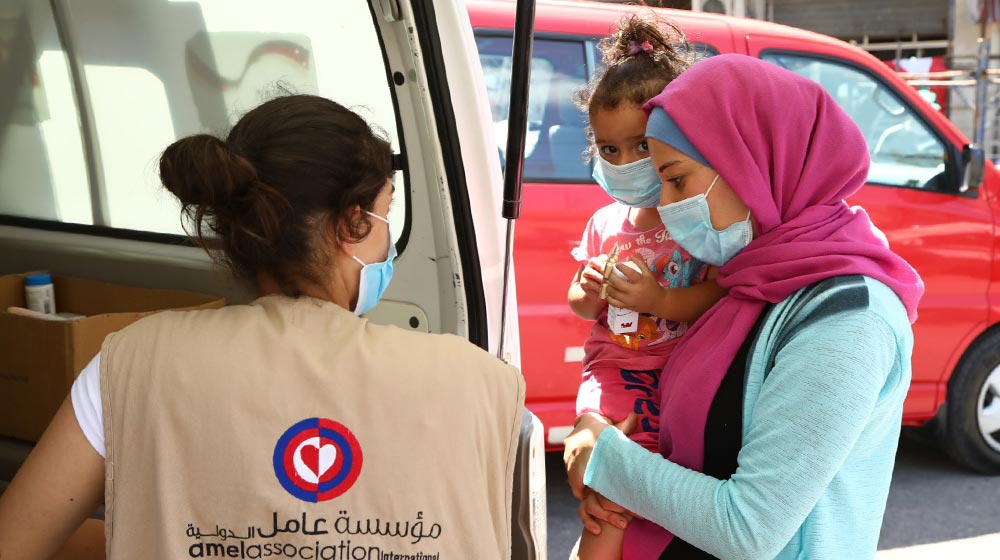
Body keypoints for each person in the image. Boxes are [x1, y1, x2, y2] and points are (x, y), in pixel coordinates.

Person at [0, 95, 525, 560]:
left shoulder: (129, 364)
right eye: (387, 214)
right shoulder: (478, 381)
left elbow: (15, 543)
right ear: (352, 223)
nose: (387, 242)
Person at [563, 54, 924, 560]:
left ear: (748, 163)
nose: (665, 205)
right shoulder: (749, 282)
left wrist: (603, 459)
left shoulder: (849, 318)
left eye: (677, 179)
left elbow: (748, 528)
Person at [567, 15, 727, 560]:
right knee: (604, 498)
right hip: (611, 375)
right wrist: (588, 289)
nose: (626, 163)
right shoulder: (604, 223)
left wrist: (660, 301)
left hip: (667, 383)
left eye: (640, 147)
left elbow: (718, 292)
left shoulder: (694, 219)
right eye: (608, 150)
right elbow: (580, 305)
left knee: (639, 499)